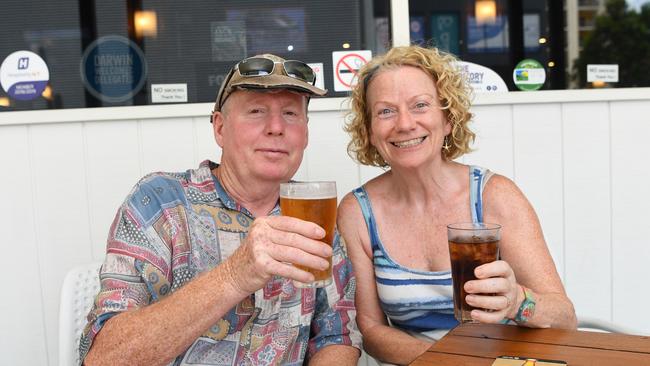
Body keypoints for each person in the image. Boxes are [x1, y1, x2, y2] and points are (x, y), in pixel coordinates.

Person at [80, 54, 361, 365]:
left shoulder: (313, 216)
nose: (277, 127)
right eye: (256, 111)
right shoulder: (160, 203)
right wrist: (235, 274)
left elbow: (336, 335)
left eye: (291, 114)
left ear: (305, 133)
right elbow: (104, 359)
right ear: (220, 128)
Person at [337, 45, 577, 365]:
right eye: (385, 111)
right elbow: (368, 328)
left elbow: (565, 317)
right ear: (368, 131)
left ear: (448, 119)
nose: (405, 124)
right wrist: (452, 361)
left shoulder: (495, 195)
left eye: (420, 105)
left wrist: (517, 301)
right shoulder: (357, 212)